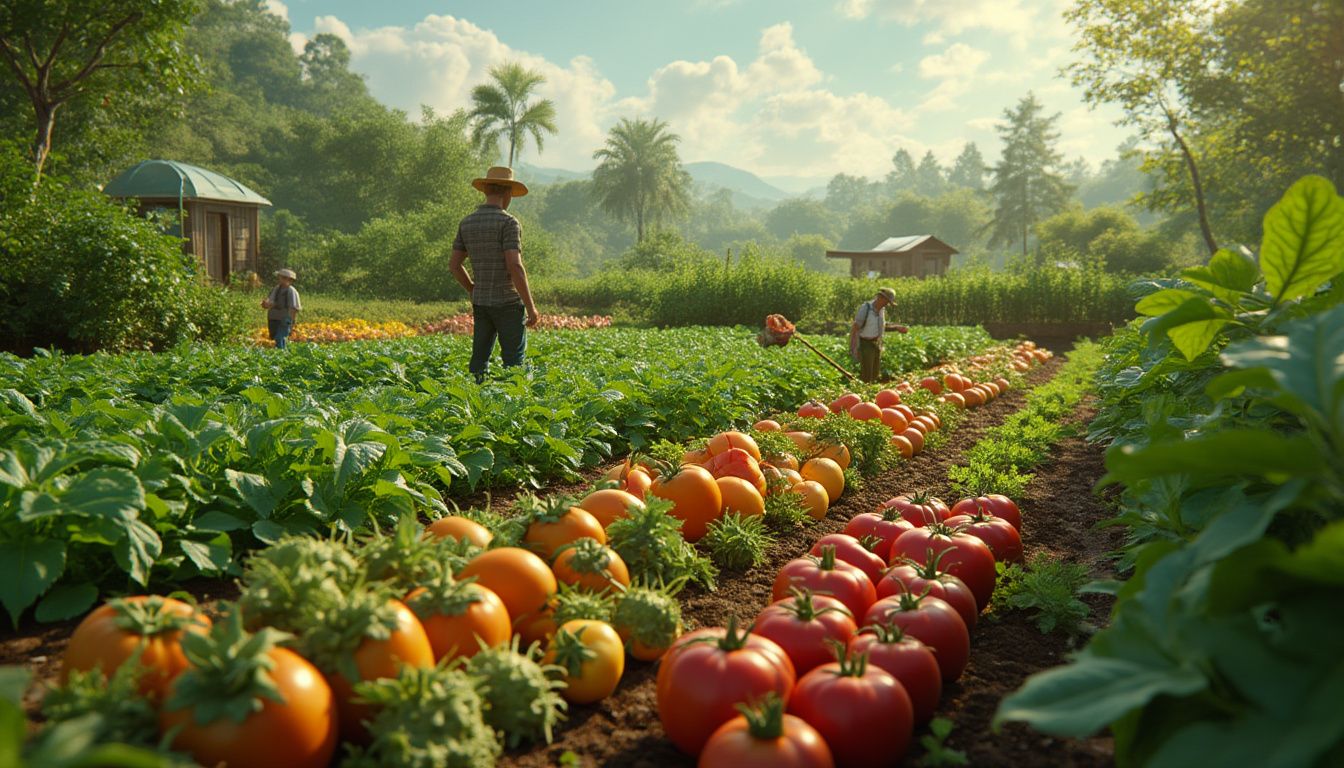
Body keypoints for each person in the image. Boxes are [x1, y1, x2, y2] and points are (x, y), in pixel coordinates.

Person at [449, 166, 540, 382]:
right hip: (508, 302)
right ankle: (513, 397)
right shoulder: (508, 223)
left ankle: (475, 395)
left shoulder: (467, 222)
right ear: (507, 192)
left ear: (486, 190)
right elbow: (514, 266)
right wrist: (531, 307)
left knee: (479, 359)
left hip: (481, 302)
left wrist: (472, 288)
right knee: (513, 362)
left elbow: (454, 265)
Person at [849, 286, 908, 382]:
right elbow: (855, 327)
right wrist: (853, 346)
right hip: (865, 343)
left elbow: (882, 326)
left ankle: (870, 388)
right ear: (880, 297)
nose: (887, 304)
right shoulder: (866, 308)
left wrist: (897, 327)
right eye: (886, 301)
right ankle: (865, 389)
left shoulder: (881, 310)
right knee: (867, 373)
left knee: (875, 372)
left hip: (876, 343)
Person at [261, 268, 301, 350]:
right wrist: (265, 304)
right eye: (280, 277)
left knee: (280, 339)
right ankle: (281, 353)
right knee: (274, 338)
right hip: (273, 319)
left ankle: (282, 354)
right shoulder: (276, 289)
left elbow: (293, 308)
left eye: (282, 277)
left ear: (289, 280)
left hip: (284, 320)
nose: (279, 279)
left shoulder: (291, 291)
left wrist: (291, 322)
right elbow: (270, 302)